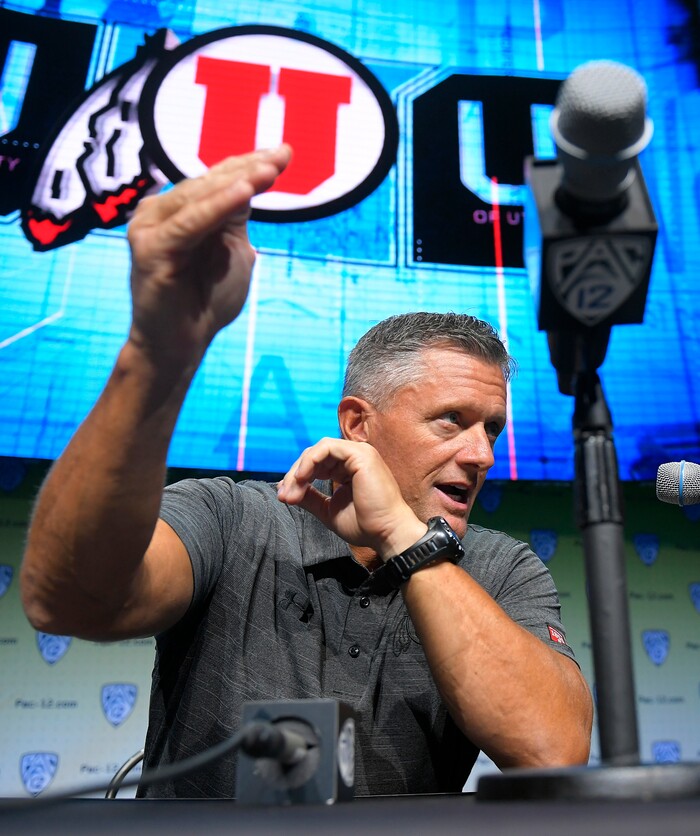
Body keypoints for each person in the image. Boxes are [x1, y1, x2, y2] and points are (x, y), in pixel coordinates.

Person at [20, 145, 592, 797]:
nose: (483, 455)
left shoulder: (499, 569)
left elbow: (553, 748)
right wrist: (155, 353)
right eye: (450, 420)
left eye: (491, 428)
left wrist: (408, 544)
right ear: (357, 425)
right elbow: (66, 597)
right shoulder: (233, 518)